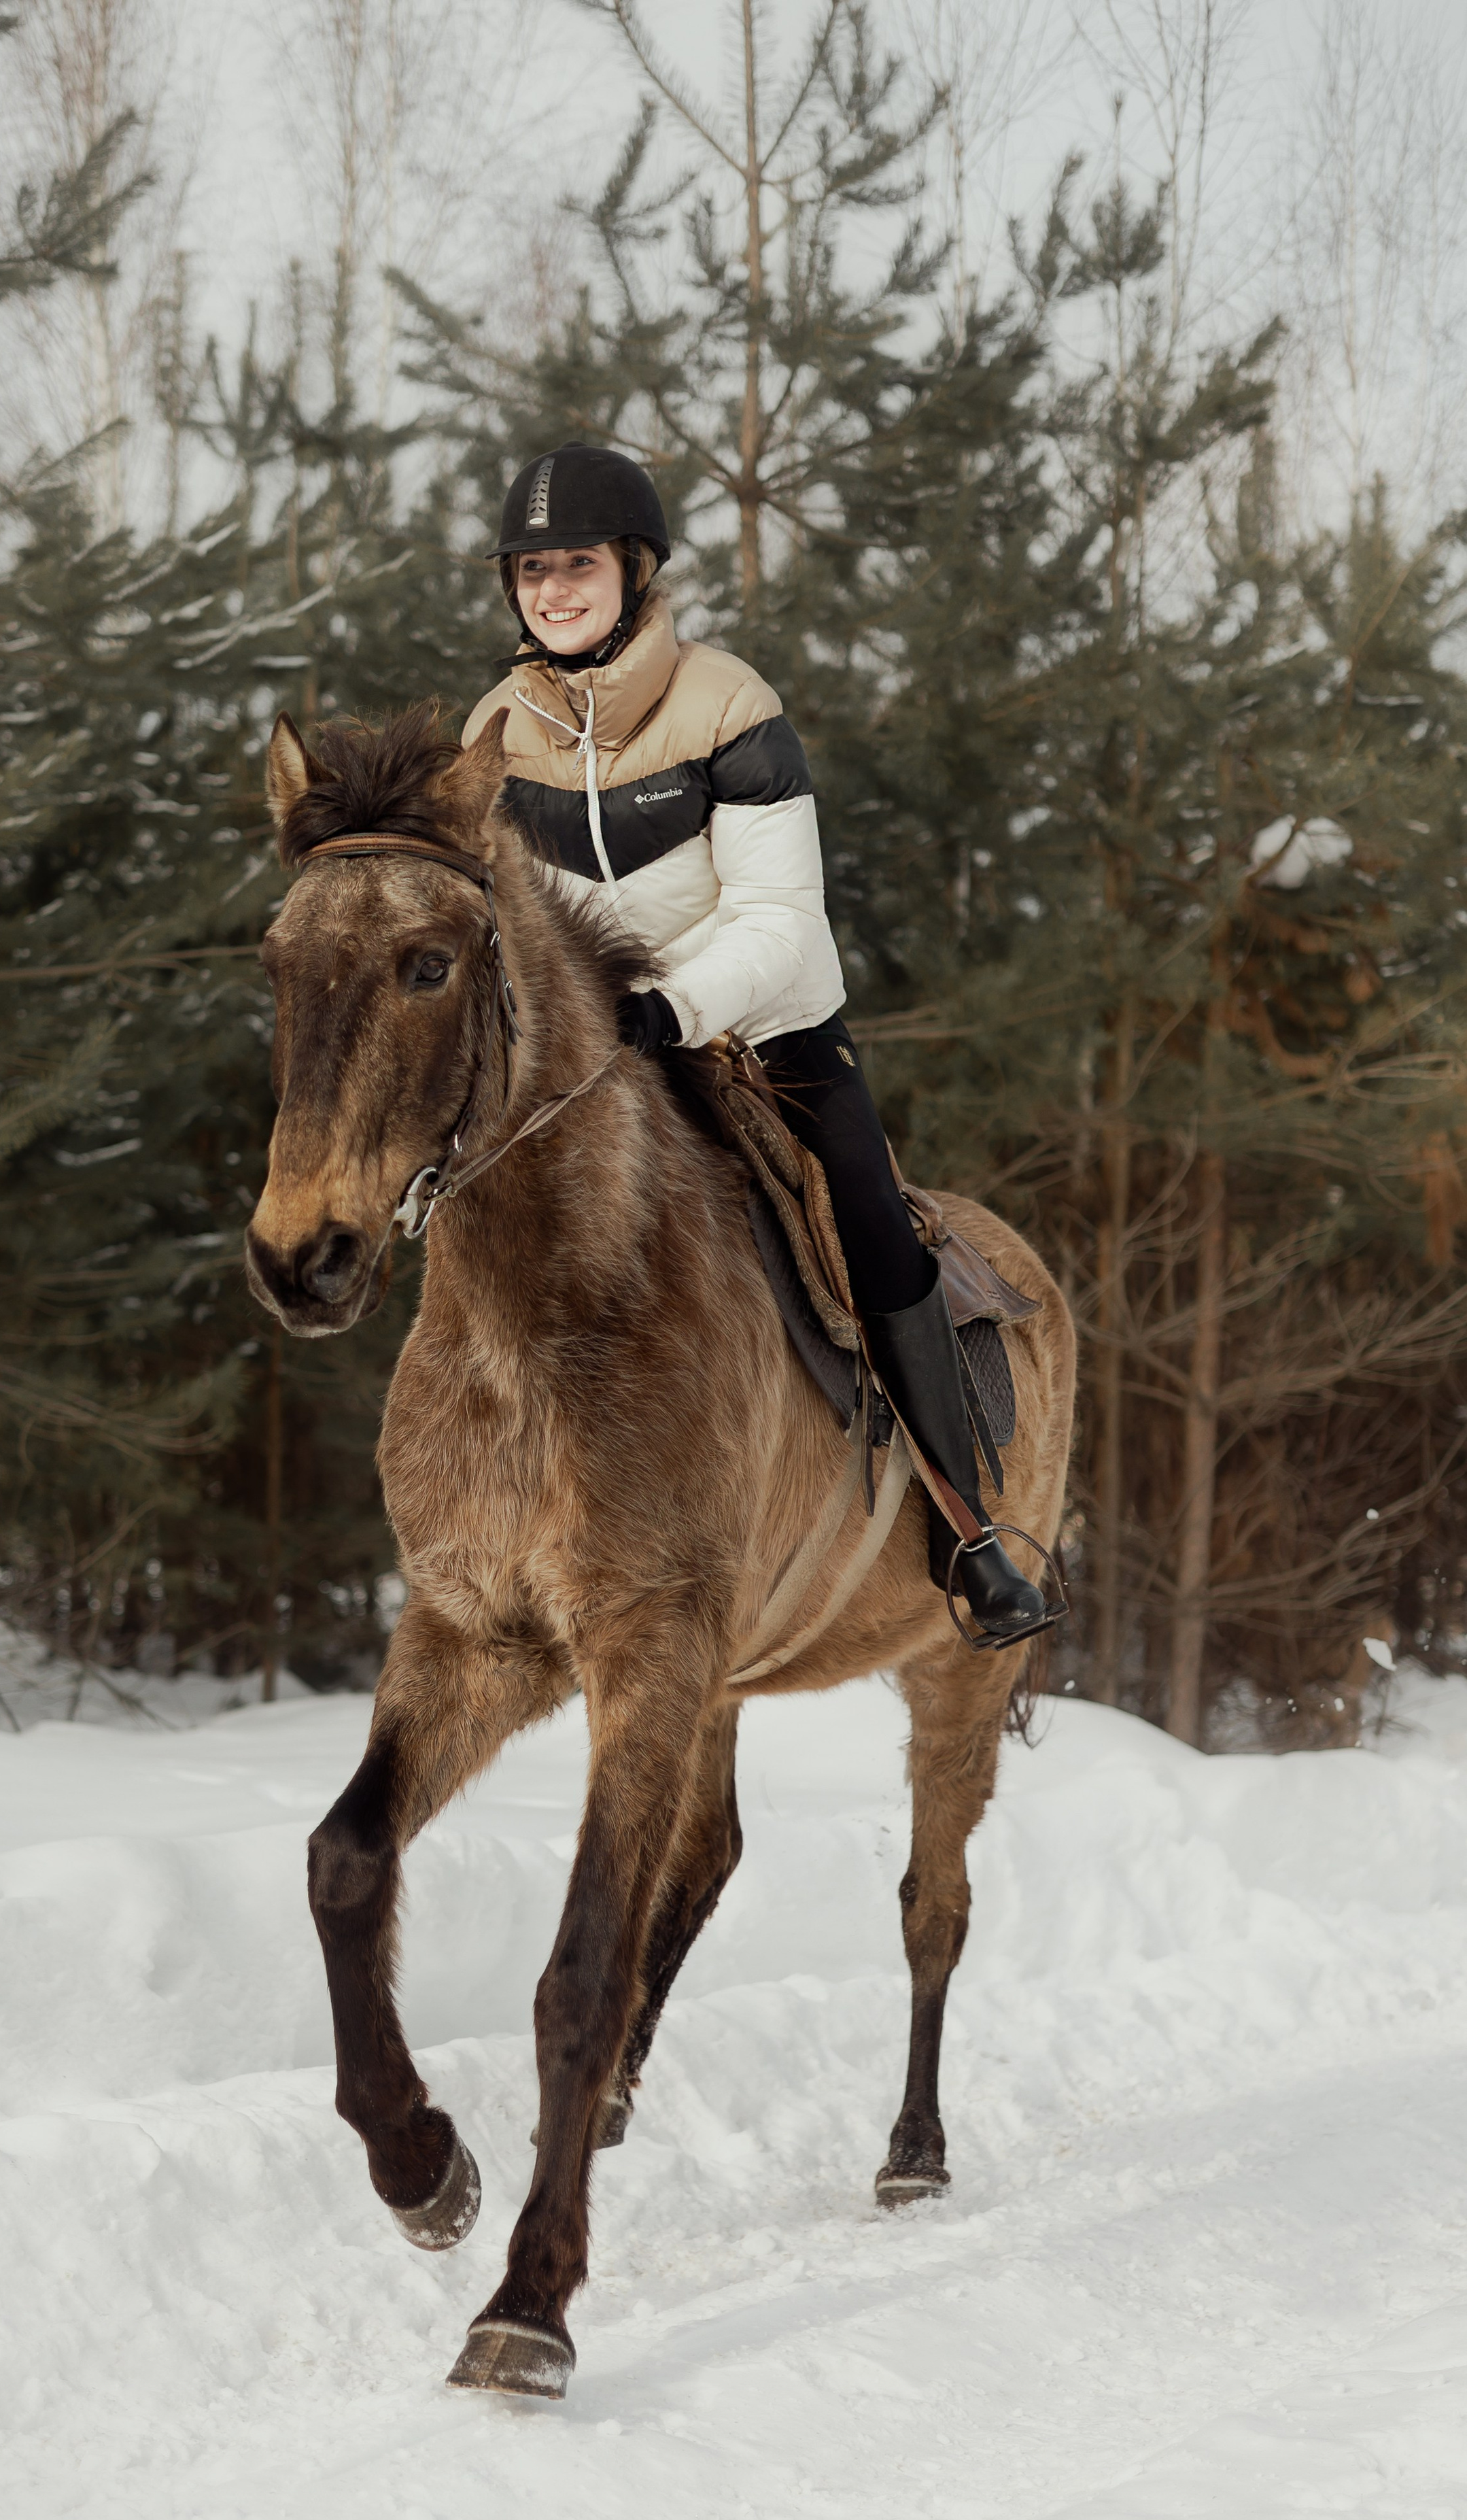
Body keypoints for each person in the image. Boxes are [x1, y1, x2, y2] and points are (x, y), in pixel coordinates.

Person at [462, 441, 1054, 1646]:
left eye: (575, 564)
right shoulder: (492, 731)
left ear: (635, 569)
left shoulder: (733, 705)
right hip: (587, 1068)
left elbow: (781, 922)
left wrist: (663, 1009)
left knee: (875, 1233)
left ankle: (966, 1533)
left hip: (757, 1043)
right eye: (530, 571)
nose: (552, 590)